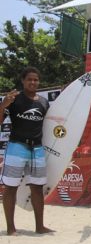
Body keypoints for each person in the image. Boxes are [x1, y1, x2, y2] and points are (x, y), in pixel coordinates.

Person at [0, 67, 52, 235]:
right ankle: (10, 228)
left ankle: (40, 226)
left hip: (36, 149)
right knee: (10, 188)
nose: (33, 82)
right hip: (16, 147)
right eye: (29, 79)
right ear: (23, 81)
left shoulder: (44, 102)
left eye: (36, 79)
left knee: (37, 188)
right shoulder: (14, 99)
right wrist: (3, 105)